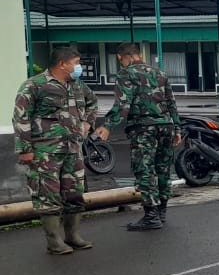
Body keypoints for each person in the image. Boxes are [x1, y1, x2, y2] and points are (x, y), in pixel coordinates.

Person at [12, 46, 97, 255]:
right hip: (45, 151)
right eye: (76, 63)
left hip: (73, 149)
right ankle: (54, 242)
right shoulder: (35, 85)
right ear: (62, 64)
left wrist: (88, 122)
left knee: (74, 193)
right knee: (47, 195)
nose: (79, 67)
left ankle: (72, 236)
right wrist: (25, 149)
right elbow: (21, 117)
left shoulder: (78, 85)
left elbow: (92, 103)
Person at [93, 43, 182, 231]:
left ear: (121, 57)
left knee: (145, 170)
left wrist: (107, 125)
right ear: (139, 54)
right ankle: (162, 212)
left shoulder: (125, 74)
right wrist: (177, 129)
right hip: (166, 127)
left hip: (143, 128)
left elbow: (123, 104)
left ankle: (151, 215)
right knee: (163, 169)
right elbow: (171, 102)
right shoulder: (160, 73)